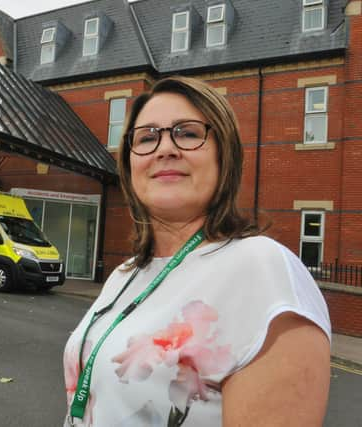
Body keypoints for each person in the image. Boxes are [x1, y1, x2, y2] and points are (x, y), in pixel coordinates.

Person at [63, 76, 331, 427]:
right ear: (129, 166)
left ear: (224, 155)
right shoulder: (125, 273)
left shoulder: (263, 270)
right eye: (146, 137)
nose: (165, 148)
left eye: (187, 133)